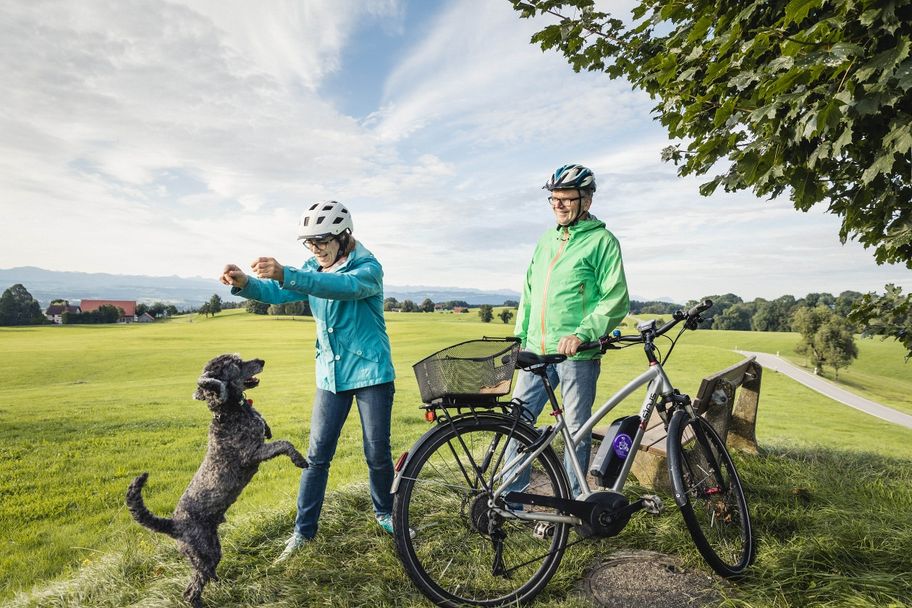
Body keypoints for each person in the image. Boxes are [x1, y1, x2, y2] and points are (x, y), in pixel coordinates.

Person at [220, 200, 396, 560]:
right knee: (317, 456)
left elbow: (338, 287)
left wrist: (287, 272)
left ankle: (386, 513)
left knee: (376, 453)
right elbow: (280, 291)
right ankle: (303, 532)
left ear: (343, 236)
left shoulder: (368, 268)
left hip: (371, 374)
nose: (314, 250)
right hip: (331, 376)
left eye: (321, 242)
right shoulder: (310, 267)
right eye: (309, 243)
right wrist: (246, 283)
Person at [509, 164, 629, 499]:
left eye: (567, 199)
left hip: (578, 353)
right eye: (554, 199)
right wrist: (520, 339)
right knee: (518, 424)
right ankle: (511, 498)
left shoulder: (603, 242)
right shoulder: (546, 240)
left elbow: (616, 299)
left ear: (586, 201)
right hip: (537, 350)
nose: (559, 205)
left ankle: (575, 503)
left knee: (576, 431)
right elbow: (529, 292)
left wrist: (584, 332)